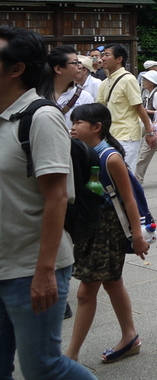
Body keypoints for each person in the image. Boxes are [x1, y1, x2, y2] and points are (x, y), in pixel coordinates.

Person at [0, 25, 97, 380]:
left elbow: (57, 196)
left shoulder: (41, 118)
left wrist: (44, 271)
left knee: (43, 367)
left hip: (30, 269)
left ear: (15, 69)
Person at [64, 103, 149, 364]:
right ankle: (130, 336)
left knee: (85, 292)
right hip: (89, 228)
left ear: (97, 127)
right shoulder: (80, 150)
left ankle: (71, 356)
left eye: (78, 123)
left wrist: (137, 235)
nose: (73, 127)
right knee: (112, 282)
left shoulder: (109, 157)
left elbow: (129, 199)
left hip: (107, 229)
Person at [97, 44, 154, 172]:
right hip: (109, 135)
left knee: (125, 173)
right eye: (102, 55)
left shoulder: (128, 79)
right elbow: (99, 108)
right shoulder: (105, 83)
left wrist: (149, 132)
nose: (103, 58)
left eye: (107, 55)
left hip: (126, 135)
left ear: (119, 59)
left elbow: (139, 107)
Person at [42, 45, 95, 129]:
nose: (80, 66)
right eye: (75, 63)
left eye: (79, 62)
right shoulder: (39, 95)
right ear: (58, 69)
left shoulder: (84, 97)